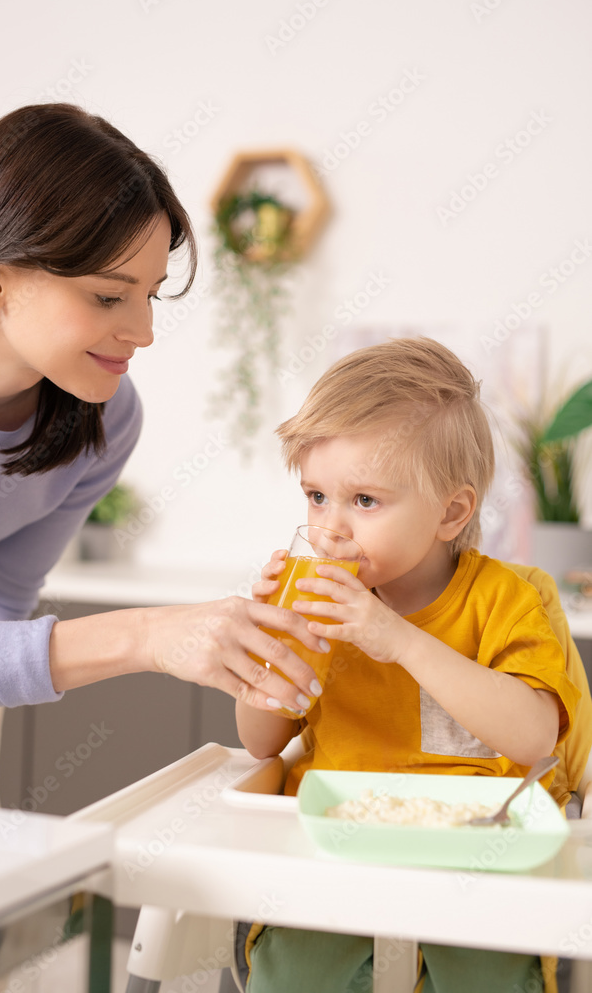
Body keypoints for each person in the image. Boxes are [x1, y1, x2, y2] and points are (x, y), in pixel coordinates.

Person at [0, 103, 327, 804]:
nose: (141, 331)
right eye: (108, 296)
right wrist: (145, 636)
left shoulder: (105, 419)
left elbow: (1, 594)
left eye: (149, 296)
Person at [236, 337, 579, 993]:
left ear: (451, 512)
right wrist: (272, 649)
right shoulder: (320, 606)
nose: (331, 528)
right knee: (293, 974)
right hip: (332, 855)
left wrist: (395, 638)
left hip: (481, 859)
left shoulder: (506, 600)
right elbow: (259, 742)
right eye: (315, 496)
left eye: (363, 501)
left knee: (491, 976)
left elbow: (535, 737)